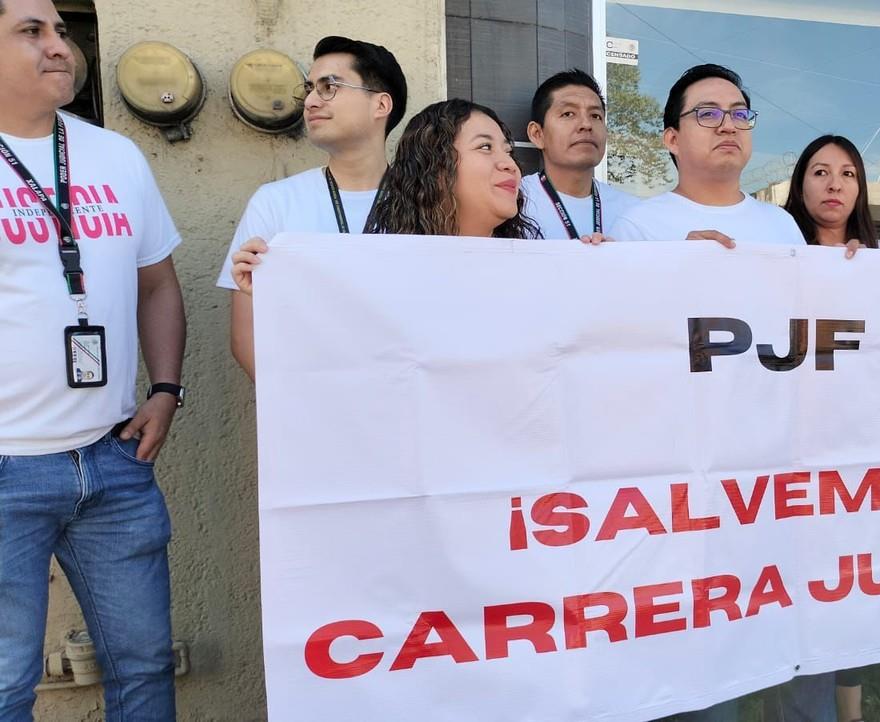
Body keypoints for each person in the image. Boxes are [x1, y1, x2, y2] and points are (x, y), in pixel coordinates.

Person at [0, 0, 187, 719]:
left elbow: (159, 283)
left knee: (144, 670)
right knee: (8, 685)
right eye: (32, 31)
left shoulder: (115, 154)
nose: (60, 46)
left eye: (61, 30)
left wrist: (166, 389)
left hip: (114, 462)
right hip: (8, 468)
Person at [762, 133, 880, 722]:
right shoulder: (768, 257)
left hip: (859, 458)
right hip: (790, 458)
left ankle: (850, 707)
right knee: (801, 599)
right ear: (800, 185)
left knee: (848, 590)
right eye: (819, 172)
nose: (834, 183)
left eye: (846, 173)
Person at [216, 36, 407, 380]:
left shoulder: (422, 202)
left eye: (329, 86)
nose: (311, 101)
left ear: (381, 105)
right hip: (310, 417)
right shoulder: (275, 201)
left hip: (407, 412)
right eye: (309, 89)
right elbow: (246, 339)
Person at [230, 98, 538, 294]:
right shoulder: (382, 275)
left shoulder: (536, 271)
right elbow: (340, 346)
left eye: (508, 152)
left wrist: (586, 260)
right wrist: (276, 291)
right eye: (485, 147)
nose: (509, 164)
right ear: (437, 167)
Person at [610, 63, 805, 250]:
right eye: (708, 114)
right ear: (673, 140)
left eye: (740, 115)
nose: (728, 126)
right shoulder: (637, 227)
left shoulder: (782, 225)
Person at [522, 68, 637, 242]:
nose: (586, 124)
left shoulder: (633, 212)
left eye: (596, 116)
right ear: (537, 134)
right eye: (568, 114)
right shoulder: (514, 203)